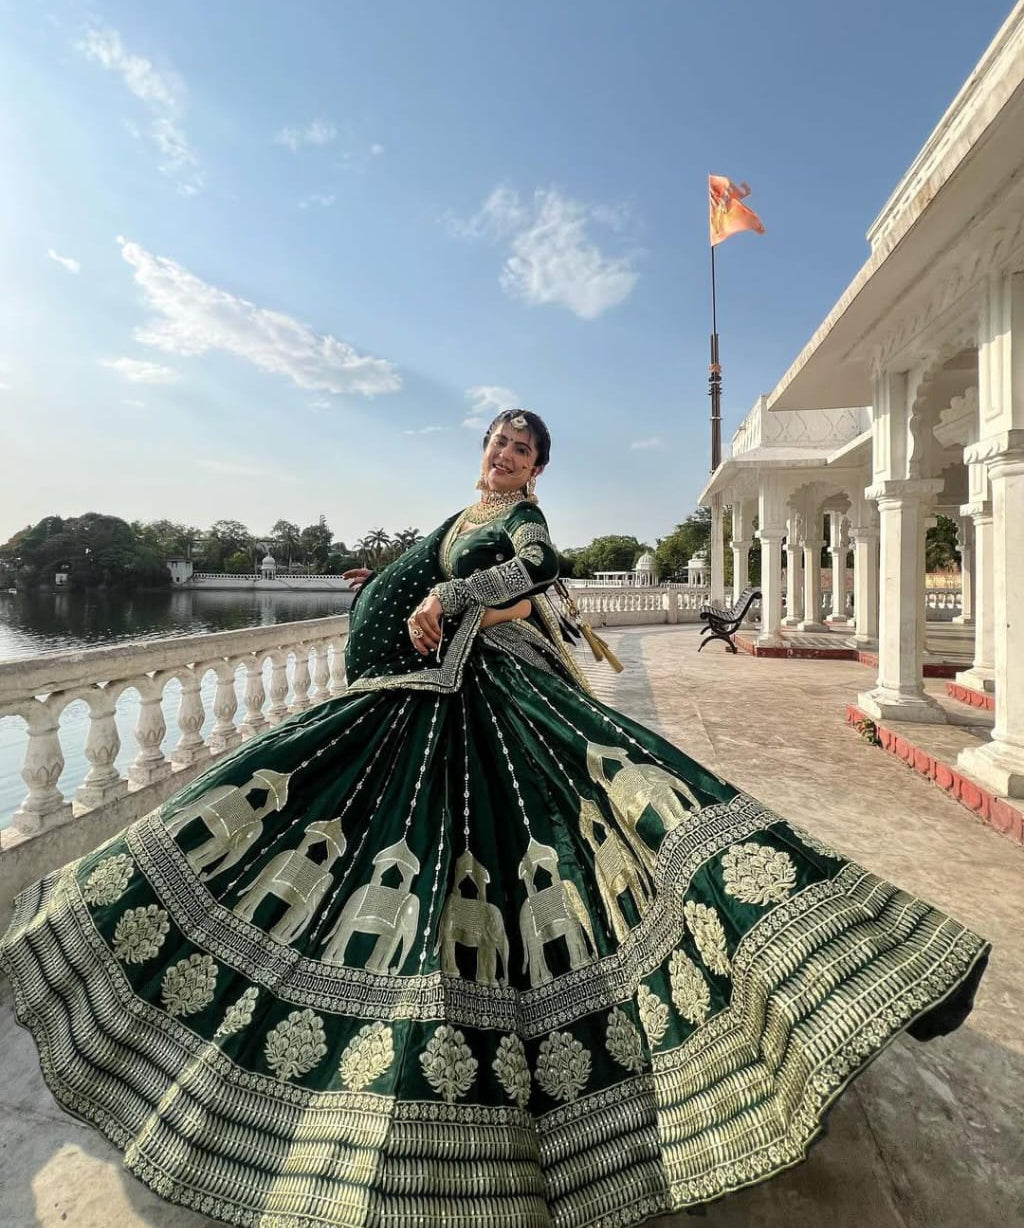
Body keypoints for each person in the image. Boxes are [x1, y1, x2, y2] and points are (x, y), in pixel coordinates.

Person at [2, 409, 987, 1228]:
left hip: (481, 707)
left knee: (547, 862)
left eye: (520, 446)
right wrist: (388, 585)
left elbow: (534, 567)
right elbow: (451, 575)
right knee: (296, 843)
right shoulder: (459, 511)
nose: (503, 453)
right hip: (412, 698)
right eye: (495, 441)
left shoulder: (521, 520)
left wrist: (453, 590)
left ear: (536, 466)